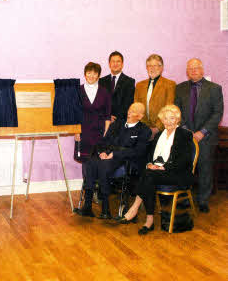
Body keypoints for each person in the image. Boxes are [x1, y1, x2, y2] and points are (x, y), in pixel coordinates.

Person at [118, 105, 194, 235]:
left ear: (177, 120)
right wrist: (149, 164)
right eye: (165, 118)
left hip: (177, 173)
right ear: (161, 120)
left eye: (172, 118)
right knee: (148, 175)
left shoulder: (185, 134)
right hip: (156, 172)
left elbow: (185, 160)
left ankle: (137, 210)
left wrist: (163, 167)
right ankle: (148, 219)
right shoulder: (159, 135)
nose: (168, 121)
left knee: (148, 176)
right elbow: (149, 154)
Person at [79, 103, 151, 219]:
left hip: (125, 160)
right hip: (107, 154)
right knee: (90, 162)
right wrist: (101, 152)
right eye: (129, 109)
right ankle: (87, 206)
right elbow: (104, 141)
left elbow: (138, 151)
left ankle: (106, 209)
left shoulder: (144, 130)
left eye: (133, 111)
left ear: (140, 116)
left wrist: (114, 154)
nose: (129, 112)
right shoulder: (117, 124)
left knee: (103, 165)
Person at [174, 58, 224, 213]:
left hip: (206, 137)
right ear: (187, 72)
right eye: (190, 69)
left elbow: (217, 113)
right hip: (186, 136)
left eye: (196, 68)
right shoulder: (180, 88)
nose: (193, 71)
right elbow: (176, 111)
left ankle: (203, 200)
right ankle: (185, 198)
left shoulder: (215, 88)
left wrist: (202, 132)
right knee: (185, 167)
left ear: (202, 70)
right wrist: (187, 131)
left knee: (205, 168)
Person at [74, 62, 111, 216]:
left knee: (102, 169)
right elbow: (74, 113)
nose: (92, 75)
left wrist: (106, 135)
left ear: (99, 75)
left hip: (100, 136)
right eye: (89, 73)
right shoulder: (78, 91)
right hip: (83, 134)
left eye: (95, 73)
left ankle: (105, 209)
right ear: (85, 74)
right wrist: (76, 131)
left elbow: (108, 116)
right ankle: (87, 207)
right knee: (87, 170)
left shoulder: (105, 92)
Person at [134, 54, 176, 139]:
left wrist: (156, 128)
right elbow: (137, 108)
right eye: (149, 66)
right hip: (143, 130)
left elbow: (169, 108)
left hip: (162, 130)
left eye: (155, 65)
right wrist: (145, 128)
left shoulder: (170, 85)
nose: (152, 68)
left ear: (161, 68)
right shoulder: (139, 85)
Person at [99, 51, 135, 122]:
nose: (115, 64)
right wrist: (107, 116)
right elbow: (99, 102)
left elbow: (128, 104)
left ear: (122, 64)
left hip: (121, 122)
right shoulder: (101, 81)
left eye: (118, 61)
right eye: (113, 61)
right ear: (109, 64)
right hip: (103, 121)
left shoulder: (130, 82)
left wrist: (115, 118)